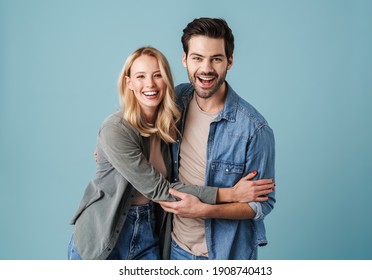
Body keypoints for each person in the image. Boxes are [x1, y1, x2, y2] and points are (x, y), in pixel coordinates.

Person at [68, 46, 275, 260]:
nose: (150, 84)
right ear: (128, 82)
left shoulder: (169, 122)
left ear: (167, 81)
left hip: (149, 232)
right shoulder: (115, 129)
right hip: (104, 234)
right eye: (140, 76)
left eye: (158, 75)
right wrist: (230, 195)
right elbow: (160, 189)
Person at [157, 18, 276, 260]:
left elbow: (261, 205)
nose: (206, 69)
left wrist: (204, 210)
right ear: (185, 59)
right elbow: (138, 121)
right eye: (197, 58)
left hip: (224, 255)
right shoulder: (176, 99)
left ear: (229, 62)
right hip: (174, 249)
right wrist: (107, 146)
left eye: (216, 59)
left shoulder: (254, 128)